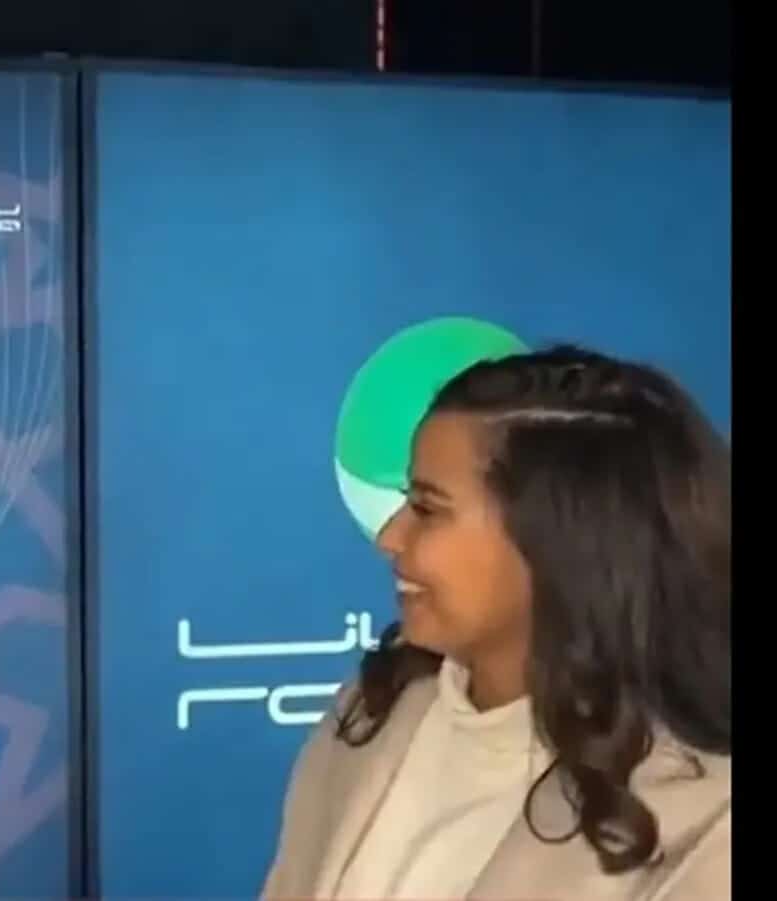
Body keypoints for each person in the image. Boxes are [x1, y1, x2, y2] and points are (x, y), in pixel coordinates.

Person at [261, 346, 730, 900]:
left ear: (559, 541)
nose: (390, 538)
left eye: (427, 508)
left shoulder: (705, 819)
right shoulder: (371, 712)